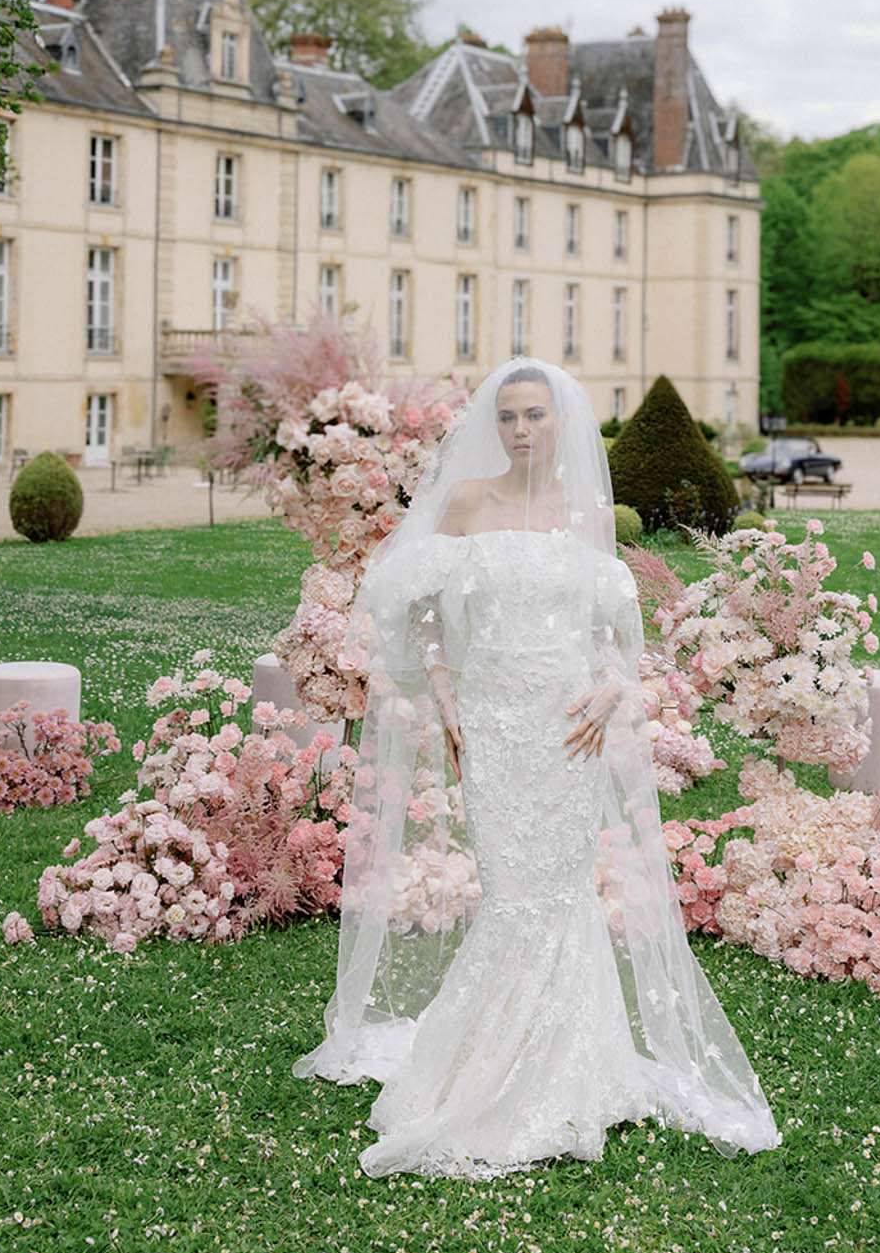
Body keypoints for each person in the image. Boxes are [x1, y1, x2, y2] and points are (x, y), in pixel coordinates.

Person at [292, 355, 782, 1178]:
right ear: (494, 423)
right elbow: (411, 605)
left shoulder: (586, 510)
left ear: (564, 424)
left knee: (558, 892)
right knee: (514, 892)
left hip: (568, 733)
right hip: (488, 725)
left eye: (536, 416)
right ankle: (486, 1067)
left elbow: (612, 632)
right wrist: (444, 688)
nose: (521, 430)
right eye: (510, 416)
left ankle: (569, 1066)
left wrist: (614, 687)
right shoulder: (465, 500)